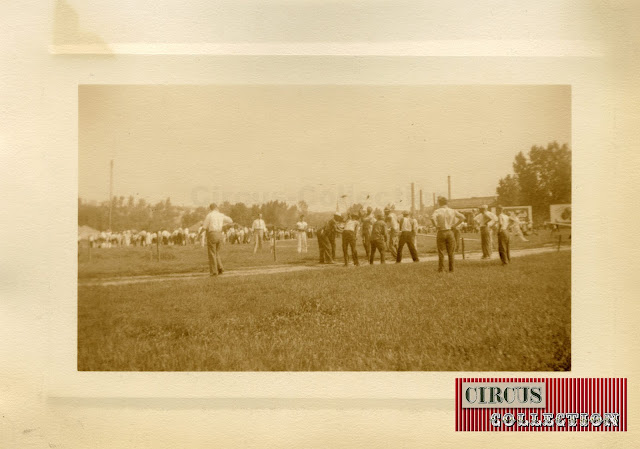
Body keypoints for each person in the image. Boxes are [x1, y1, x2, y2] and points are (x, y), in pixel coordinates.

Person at [431, 196, 465, 272]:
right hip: (450, 231)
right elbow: (462, 217)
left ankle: (441, 269)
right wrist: (455, 225)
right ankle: (451, 269)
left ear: (439, 203)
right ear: (447, 203)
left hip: (441, 231)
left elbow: (432, 218)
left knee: (441, 251)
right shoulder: (452, 211)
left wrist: (436, 225)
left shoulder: (437, 211)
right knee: (451, 252)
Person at [200, 203, 232, 276]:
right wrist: (224, 226)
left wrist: (199, 234)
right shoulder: (221, 215)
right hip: (219, 234)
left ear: (210, 208)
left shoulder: (209, 215)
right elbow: (230, 220)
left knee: (212, 253)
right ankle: (220, 268)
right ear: (216, 207)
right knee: (217, 253)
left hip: (212, 234)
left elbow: (204, 227)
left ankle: (214, 271)